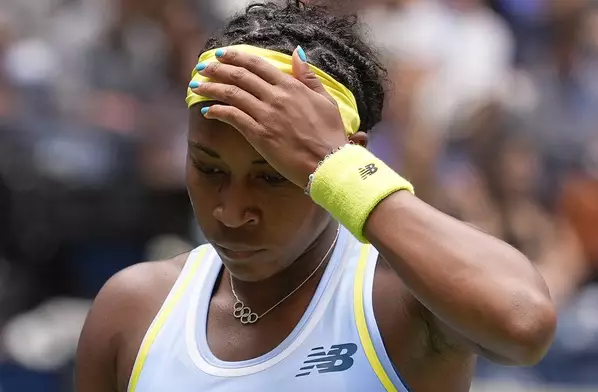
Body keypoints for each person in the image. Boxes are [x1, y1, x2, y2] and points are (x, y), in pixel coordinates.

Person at [75, 2, 556, 391]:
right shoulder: (134, 307)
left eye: (273, 177)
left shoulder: (400, 295)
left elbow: (524, 324)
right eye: (208, 168)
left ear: (338, 163)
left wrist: (338, 165)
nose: (230, 211)